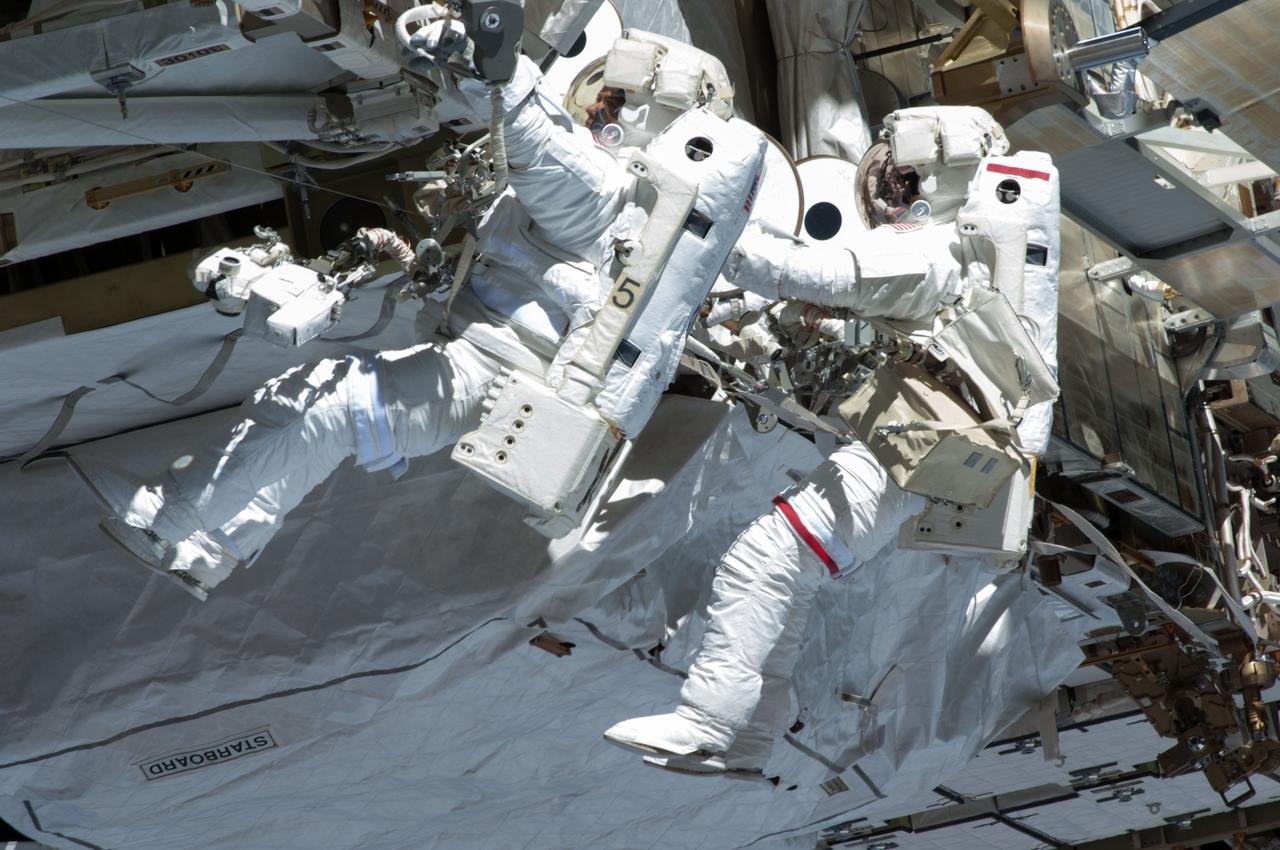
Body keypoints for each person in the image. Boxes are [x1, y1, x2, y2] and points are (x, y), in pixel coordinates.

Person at [65, 20, 755, 601]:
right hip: (497, 373)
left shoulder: (599, 193)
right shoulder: (645, 213)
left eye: (612, 98)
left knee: (324, 403)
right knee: (319, 418)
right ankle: (206, 546)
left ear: (647, 112)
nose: (598, 108)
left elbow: (535, 141)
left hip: (492, 376)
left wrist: (482, 54)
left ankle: (170, 520)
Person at [603, 105, 1062, 778]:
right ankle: (750, 740)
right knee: (788, 577)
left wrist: (695, 225)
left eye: (896, 180)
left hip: (909, 455)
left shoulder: (925, 252)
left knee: (761, 562)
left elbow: (800, 273)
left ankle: (707, 723)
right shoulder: (953, 256)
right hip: (925, 456)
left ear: (928, 181)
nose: (883, 193)